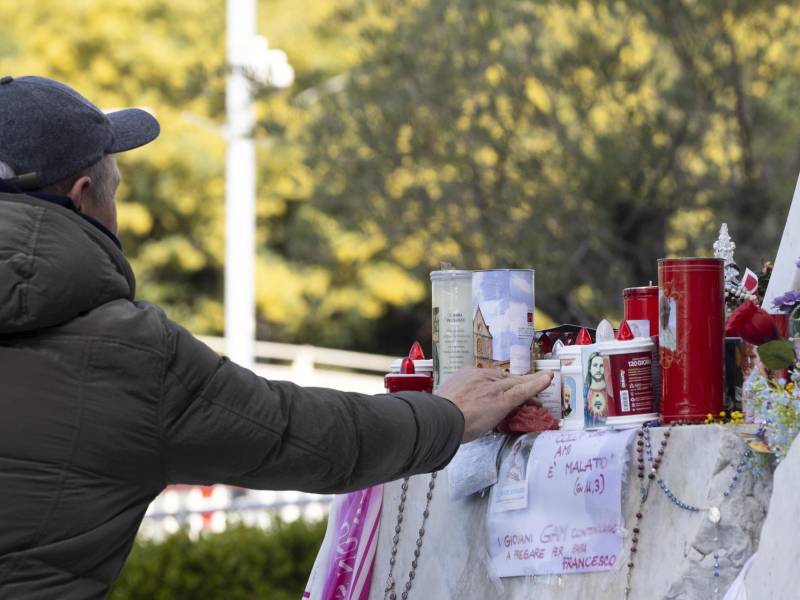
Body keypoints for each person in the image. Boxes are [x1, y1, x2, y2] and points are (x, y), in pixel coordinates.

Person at [0, 75, 552, 598]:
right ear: (82, 195)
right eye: (115, 193)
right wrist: (448, 414)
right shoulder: (128, 357)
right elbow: (307, 436)